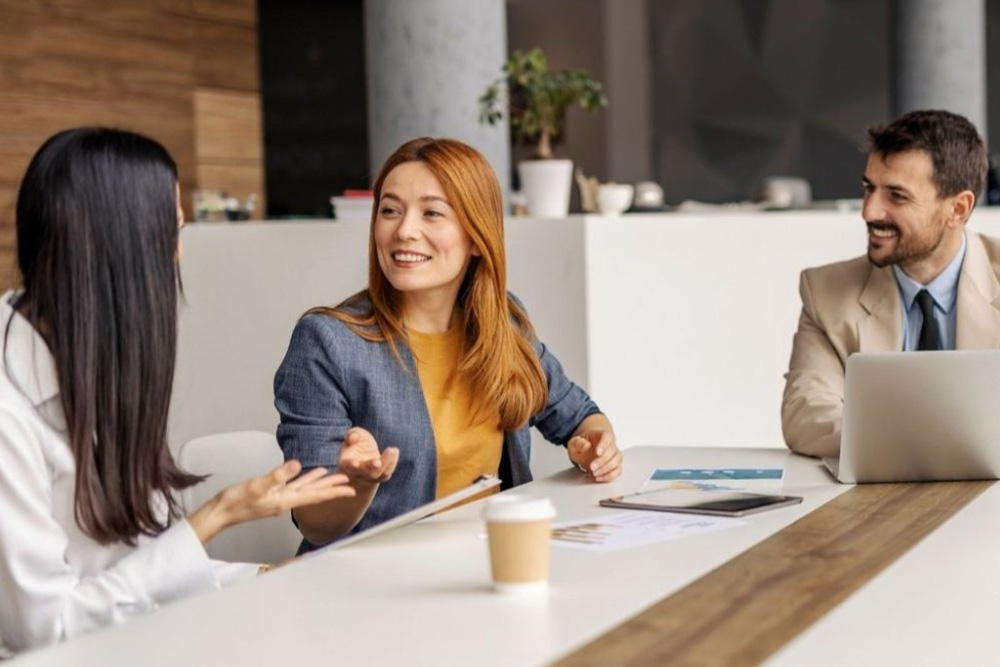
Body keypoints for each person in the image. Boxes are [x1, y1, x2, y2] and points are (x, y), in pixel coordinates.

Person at [0, 128, 356, 655]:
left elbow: (140, 574)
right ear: (123, 250)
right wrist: (213, 517)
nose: (180, 254)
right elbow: (45, 632)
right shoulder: (10, 409)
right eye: (173, 232)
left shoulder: (94, 360)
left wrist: (267, 577)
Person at [274, 137, 622, 551]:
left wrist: (597, 445)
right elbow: (316, 526)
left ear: (477, 237)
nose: (404, 231)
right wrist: (358, 483)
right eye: (390, 210)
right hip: (375, 587)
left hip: (486, 562)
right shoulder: (329, 343)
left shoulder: (503, 324)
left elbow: (580, 415)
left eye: (432, 213)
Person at [782, 109, 1000, 458]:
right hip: (881, 499)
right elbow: (807, 415)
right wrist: (927, 448)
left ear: (958, 209)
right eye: (869, 189)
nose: (869, 211)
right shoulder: (825, 292)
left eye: (896, 196)